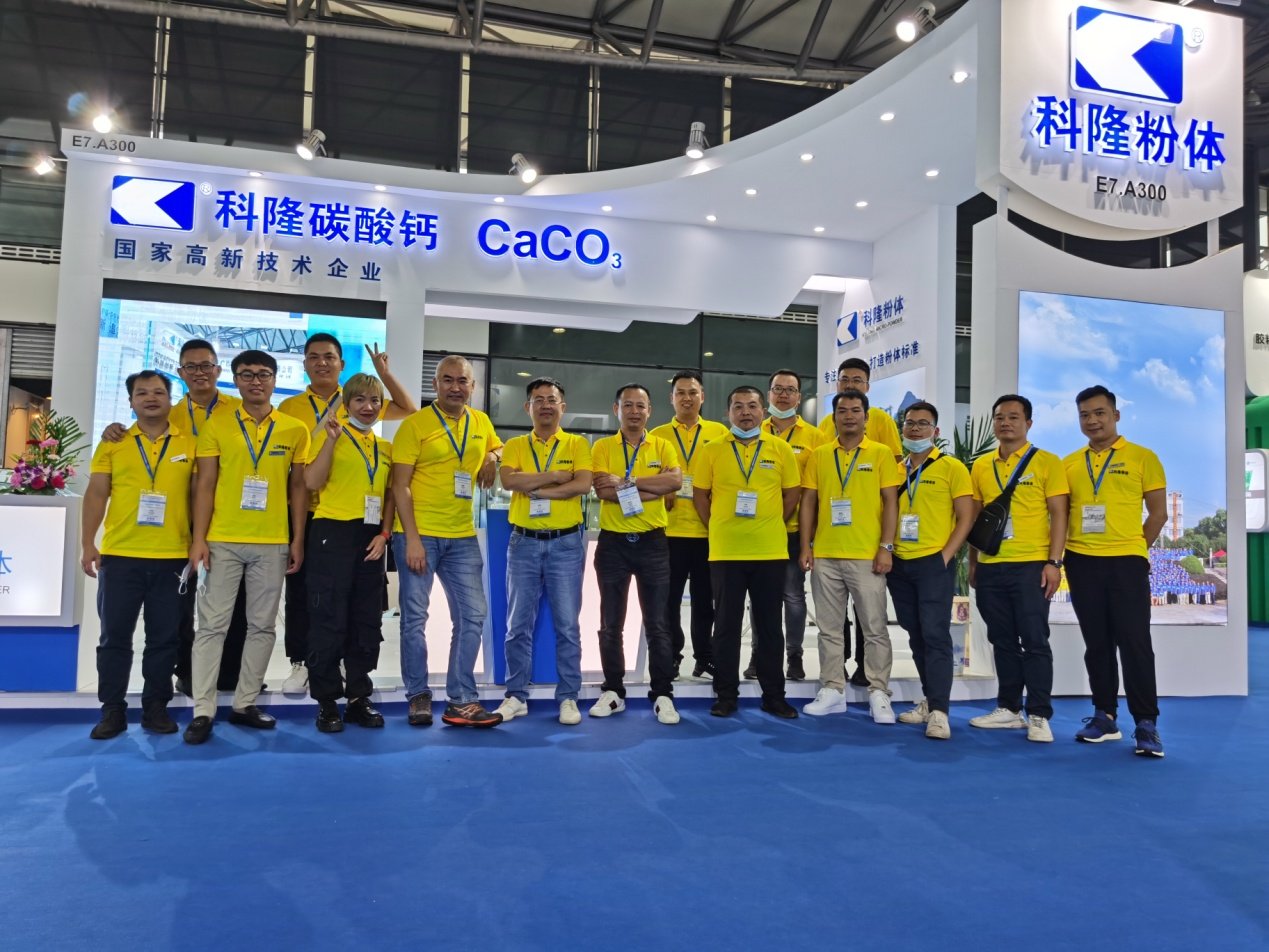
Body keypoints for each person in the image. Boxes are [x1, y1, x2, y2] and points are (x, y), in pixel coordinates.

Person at [99, 339, 250, 697]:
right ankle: (185, 671)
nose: (199, 372)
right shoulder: (171, 414)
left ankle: (229, 675)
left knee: (233, 603)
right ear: (181, 373)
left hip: (234, 516)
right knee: (178, 608)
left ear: (218, 369)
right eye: (191, 367)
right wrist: (113, 428)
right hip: (180, 519)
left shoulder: (239, 410)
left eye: (206, 365)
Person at [276, 334, 416, 697]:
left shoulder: (361, 403)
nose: (322, 362)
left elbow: (407, 408)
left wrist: (384, 374)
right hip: (311, 512)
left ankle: (345, 668)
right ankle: (303, 662)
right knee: (306, 595)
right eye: (314, 357)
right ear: (305, 364)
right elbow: (299, 470)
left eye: (329, 357)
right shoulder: (290, 407)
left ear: (341, 364)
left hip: (361, 521)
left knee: (357, 602)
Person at [185, 350, 311, 744]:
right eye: (247, 374)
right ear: (235, 379)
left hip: (273, 542)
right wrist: (199, 539)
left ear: (275, 378)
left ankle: (245, 703)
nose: (256, 381)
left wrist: (297, 539)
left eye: (263, 374)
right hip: (223, 539)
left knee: (262, 627)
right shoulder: (217, 424)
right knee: (212, 627)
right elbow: (205, 484)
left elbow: (298, 488)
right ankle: (203, 709)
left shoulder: (294, 429)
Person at [81, 371, 196, 739]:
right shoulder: (113, 442)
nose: (151, 398)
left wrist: (198, 542)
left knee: (164, 638)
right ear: (131, 401)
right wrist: (88, 543)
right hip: (120, 556)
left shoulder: (191, 444)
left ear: (170, 400)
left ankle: (156, 708)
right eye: (142, 393)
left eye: (159, 392)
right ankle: (112, 710)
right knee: (114, 638)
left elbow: (200, 496)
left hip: (172, 557)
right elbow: (97, 494)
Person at [391, 355, 502, 728]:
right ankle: (418, 695)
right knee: (415, 619)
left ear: (473, 386)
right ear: (435, 384)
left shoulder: (480, 422)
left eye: (463, 381)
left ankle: (461, 699)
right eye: (448, 380)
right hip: (419, 533)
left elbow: (499, 447)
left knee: (473, 615)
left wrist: (492, 455)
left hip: (462, 535)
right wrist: (412, 539)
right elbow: (400, 485)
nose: (456, 387)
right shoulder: (415, 425)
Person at [1063, 385, 1167, 757]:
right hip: (1080, 560)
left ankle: (1146, 723)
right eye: (1085, 415)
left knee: (1135, 643)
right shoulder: (1069, 464)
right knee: (1097, 644)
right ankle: (1104, 716)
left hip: (1126, 562)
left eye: (1099, 413)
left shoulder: (1143, 457)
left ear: (1115, 415)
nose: (1092, 420)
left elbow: (1158, 514)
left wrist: (1134, 548)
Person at [968, 394, 1069, 744]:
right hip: (991, 566)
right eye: (999, 417)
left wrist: (1054, 562)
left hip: (1031, 566)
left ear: (1028, 423)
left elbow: (1059, 514)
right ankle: (1009, 709)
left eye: (1013, 417)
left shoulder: (1047, 462)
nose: (1005, 423)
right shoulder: (981, 465)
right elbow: (977, 520)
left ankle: (1039, 714)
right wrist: (973, 563)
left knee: (1035, 640)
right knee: (1002, 640)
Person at [694, 385, 800, 719]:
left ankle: (774, 696)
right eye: (738, 406)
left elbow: (792, 495)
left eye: (752, 406)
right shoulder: (711, 449)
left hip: (770, 551)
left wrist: (770, 522)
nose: (745, 412)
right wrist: (719, 526)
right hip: (726, 552)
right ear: (728, 413)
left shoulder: (780, 449)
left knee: (769, 628)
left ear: (763, 412)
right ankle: (726, 695)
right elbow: (700, 496)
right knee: (726, 626)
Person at [494, 377, 593, 726]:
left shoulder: (578, 444)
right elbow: (509, 481)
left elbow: (583, 484)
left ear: (562, 407)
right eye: (539, 400)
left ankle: (568, 697)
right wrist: (554, 475)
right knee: (517, 625)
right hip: (523, 543)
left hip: (566, 545)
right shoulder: (515, 444)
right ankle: (515, 695)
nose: (546, 405)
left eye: (552, 399)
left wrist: (538, 489)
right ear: (528, 407)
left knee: (568, 626)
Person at [799, 389, 900, 722]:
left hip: (867, 555)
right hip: (825, 555)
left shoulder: (881, 454)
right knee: (829, 629)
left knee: (874, 628)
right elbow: (809, 502)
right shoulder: (820, 455)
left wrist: (886, 546)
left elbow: (891, 502)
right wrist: (806, 546)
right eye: (842, 411)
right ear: (834, 417)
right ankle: (832, 689)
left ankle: (878, 692)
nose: (849, 416)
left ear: (866, 417)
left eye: (856, 410)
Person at [302, 373, 396, 733]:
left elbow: (389, 495)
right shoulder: (329, 435)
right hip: (332, 534)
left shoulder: (384, 448)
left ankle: (358, 697)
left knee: (366, 620)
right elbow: (311, 482)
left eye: (374, 401)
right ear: (347, 403)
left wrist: (385, 533)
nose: (368, 407)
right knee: (329, 618)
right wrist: (330, 442)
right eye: (359, 400)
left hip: (371, 537)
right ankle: (327, 702)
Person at [589, 383, 682, 724]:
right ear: (617, 410)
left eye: (640, 406)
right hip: (613, 544)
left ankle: (662, 693)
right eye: (627, 405)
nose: (634, 411)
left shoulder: (663, 445)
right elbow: (603, 490)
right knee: (610, 624)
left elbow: (674, 483)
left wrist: (627, 481)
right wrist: (651, 486)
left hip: (653, 543)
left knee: (658, 624)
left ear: (649, 411)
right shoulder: (602, 447)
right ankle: (613, 690)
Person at [887, 401, 974, 740]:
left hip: (933, 563)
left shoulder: (952, 468)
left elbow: (965, 517)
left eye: (923, 423)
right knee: (916, 634)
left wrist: (945, 556)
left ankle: (940, 711)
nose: (915, 429)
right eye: (909, 423)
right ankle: (929, 699)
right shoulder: (894, 469)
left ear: (935, 431)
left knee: (936, 635)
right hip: (899, 563)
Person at [818, 357, 902, 687]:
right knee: (832, 620)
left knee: (869, 618)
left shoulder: (880, 422)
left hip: (866, 540)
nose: (850, 384)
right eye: (844, 379)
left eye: (857, 380)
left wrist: (886, 544)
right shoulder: (827, 424)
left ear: (868, 385)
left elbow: (893, 472)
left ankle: (869, 674)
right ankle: (835, 675)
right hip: (831, 542)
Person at [748, 368, 827, 682]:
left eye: (790, 390)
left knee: (793, 596)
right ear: (768, 394)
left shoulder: (816, 438)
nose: (783, 395)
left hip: (795, 530)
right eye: (778, 389)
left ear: (799, 396)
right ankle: (758, 654)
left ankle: (794, 655)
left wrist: (810, 538)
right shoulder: (753, 430)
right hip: (758, 530)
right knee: (759, 596)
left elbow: (817, 492)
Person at [650, 370, 729, 680]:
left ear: (702, 397)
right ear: (671, 398)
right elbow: (646, 476)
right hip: (667, 531)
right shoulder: (657, 436)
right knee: (668, 601)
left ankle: (705, 658)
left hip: (707, 531)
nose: (687, 398)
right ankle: (672, 655)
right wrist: (663, 485)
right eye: (680, 393)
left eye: (692, 392)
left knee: (705, 601)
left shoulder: (719, 432)